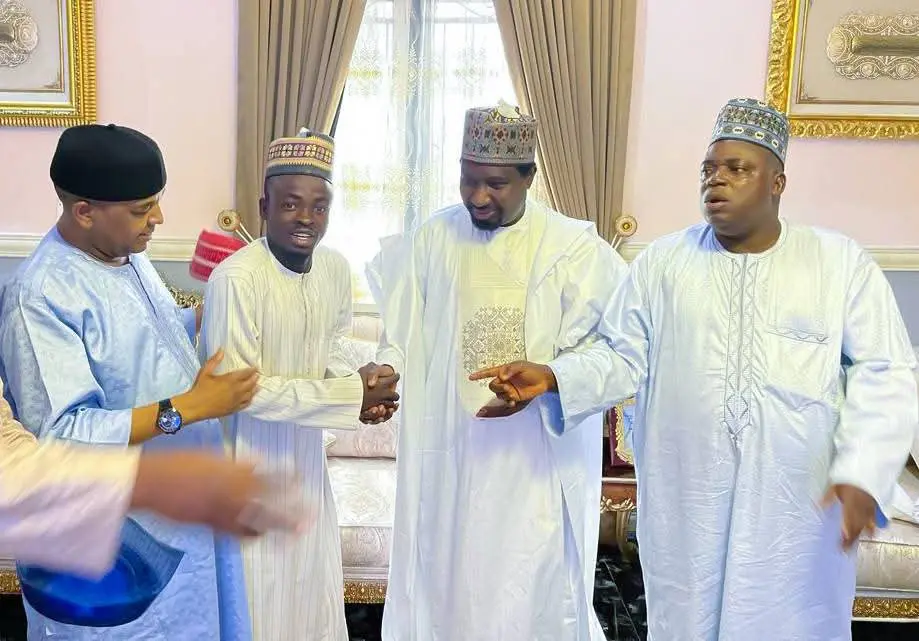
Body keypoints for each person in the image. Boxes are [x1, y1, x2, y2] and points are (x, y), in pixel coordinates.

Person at [471, 98, 919, 640]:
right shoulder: (664, 263)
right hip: (688, 501)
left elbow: (886, 369)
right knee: (687, 621)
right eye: (708, 169)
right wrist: (555, 376)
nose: (716, 180)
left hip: (794, 510)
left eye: (737, 168)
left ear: (777, 182)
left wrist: (864, 471)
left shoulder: (838, 263)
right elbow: (621, 354)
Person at [366, 103, 627, 641]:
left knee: (525, 596)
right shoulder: (434, 238)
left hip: (533, 468)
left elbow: (622, 354)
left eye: (496, 183)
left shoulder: (573, 250)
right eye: (468, 180)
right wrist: (386, 371)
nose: (478, 196)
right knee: (449, 591)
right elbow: (403, 334)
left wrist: (552, 376)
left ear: (529, 177)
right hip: (450, 458)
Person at [0, 124, 259, 640]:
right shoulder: (39, 297)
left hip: (183, 519)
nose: (158, 219)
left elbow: (140, 347)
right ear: (85, 212)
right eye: (143, 209)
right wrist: (190, 407)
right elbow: (64, 435)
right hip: (116, 549)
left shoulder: (127, 255)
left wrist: (204, 318)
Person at [200, 128, 400, 641]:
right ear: (264, 207)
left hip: (307, 464)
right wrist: (350, 396)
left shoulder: (333, 268)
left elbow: (327, 349)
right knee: (259, 599)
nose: (306, 218)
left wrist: (363, 388)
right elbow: (240, 390)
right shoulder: (236, 279)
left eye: (319, 206)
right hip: (248, 467)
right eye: (290, 204)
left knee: (310, 595)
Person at [0, 387, 299, 579]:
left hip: (161, 553)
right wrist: (148, 480)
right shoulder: (35, 305)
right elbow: (60, 432)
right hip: (98, 564)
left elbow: (8, 440)